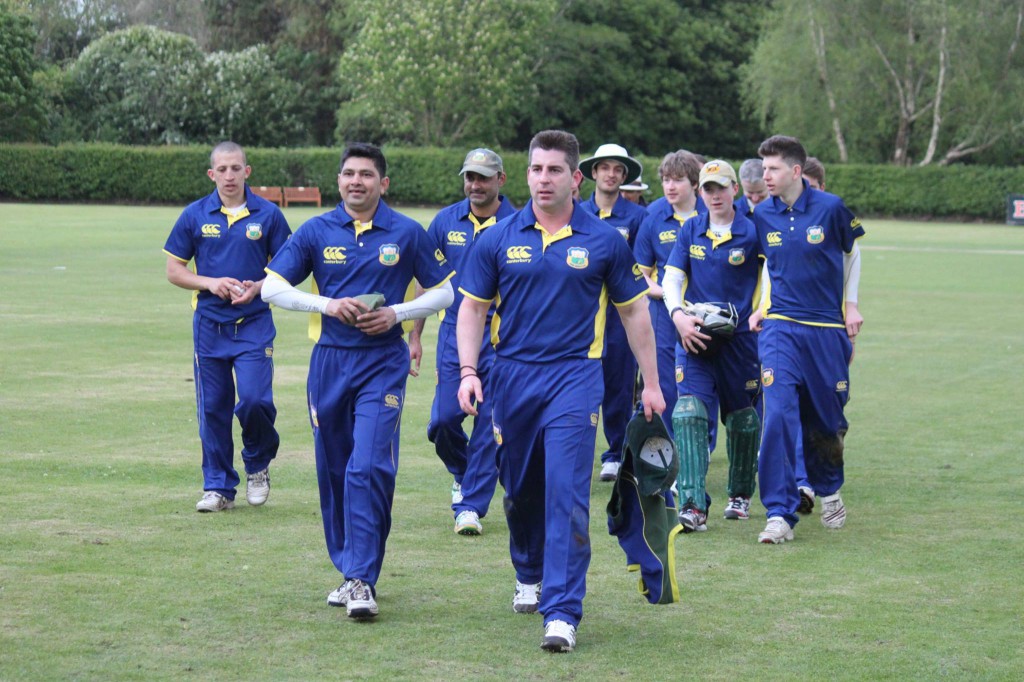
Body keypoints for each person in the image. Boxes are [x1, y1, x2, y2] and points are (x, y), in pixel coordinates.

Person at [456, 130, 664, 653]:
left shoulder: (605, 242)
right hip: (512, 377)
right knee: (521, 489)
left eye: (554, 170)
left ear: (576, 178)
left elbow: (635, 311)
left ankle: (563, 610)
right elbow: (473, 309)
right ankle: (528, 571)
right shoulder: (498, 238)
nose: (543, 179)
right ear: (526, 175)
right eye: (536, 169)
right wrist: (467, 371)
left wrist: (654, 385)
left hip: (575, 377)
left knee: (569, 493)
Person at [261, 143, 455, 618]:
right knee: (334, 469)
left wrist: (397, 314)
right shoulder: (315, 230)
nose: (356, 182)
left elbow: (446, 290)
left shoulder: (407, 233)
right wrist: (325, 305)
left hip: (383, 363)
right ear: (339, 180)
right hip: (328, 363)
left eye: (366, 175)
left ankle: (363, 579)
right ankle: (349, 571)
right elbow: (271, 287)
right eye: (348, 173)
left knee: (367, 467)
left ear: (382, 183)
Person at [163, 141, 291, 513]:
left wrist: (258, 287)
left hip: (253, 324)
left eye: (237, 168)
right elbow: (175, 270)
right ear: (212, 174)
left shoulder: (268, 215)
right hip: (209, 327)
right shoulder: (194, 215)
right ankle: (218, 487)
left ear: (247, 171)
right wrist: (210, 282)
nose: (230, 175)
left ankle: (258, 464)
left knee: (254, 400)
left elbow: (288, 271)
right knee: (214, 408)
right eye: (223, 169)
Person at [748, 135, 864, 544]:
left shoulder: (831, 209)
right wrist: (763, 305)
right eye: (763, 169)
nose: (766, 176)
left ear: (796, 171)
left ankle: (829, 487)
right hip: (780, 327)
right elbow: (768, 264)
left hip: (826, 331)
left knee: (826, 421)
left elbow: (852, 254)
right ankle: (779, 513)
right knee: (777, 414)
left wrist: (850, 305)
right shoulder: (762, 214)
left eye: (773, 169)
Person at [411, 148, 517, 535]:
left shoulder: (518, 223)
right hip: (455, 336)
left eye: (483, 177)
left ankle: (470, 505)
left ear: (500, 180)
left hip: (503, 340)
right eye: (469, 177)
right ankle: (465, 472)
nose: (474, 184)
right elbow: (427, 280)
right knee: (441, 422)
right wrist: (416, 335)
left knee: (490, 425)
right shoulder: (444, 221)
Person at [660, 160, 762, 531]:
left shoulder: (753, 231)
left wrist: (762, 313)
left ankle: (739, 493)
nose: (715, 195)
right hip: (695, 336)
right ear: (700, 193)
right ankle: (692, 504)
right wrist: (678, 316)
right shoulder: (690, 230)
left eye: (721, 187)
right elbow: (671, 278)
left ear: (734, 188)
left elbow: (773, 275)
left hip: (740, 344)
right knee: (687, 413)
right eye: (708, 189)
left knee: (743, 420)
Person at [578, 143, 649, 482]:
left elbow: (641, 270)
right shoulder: (576, 212)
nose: (610, 173)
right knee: (581, 382)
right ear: (593, 173)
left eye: (617, 169)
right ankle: (578, 451)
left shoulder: (638, 217)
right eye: (604, 167)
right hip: (582, 313)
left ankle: (616, 451)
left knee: (620, 383)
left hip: (621, 315)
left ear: (624, 176)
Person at [633, 150, 706, 436]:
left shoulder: (709, 213)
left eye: (678, 180)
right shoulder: (653, 217)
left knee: (701, 383)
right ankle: (671, 448)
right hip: (663, 317)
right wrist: (667, 294)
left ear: (695, 184)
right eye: (665, 179)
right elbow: (640, 275)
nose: (670, 186)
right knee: (666, 382)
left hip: (703, 313)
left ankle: (702, 444)